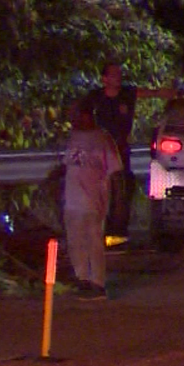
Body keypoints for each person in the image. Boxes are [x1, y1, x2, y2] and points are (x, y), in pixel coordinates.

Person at [81, 62, 178, 243]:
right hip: (99, 151)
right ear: (105, 79)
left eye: (119, 74)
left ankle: (117, 234)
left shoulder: (127, 94)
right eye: (113, 74)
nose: (117, 77)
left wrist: (170, 93)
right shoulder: (94, 98)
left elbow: (151, 93)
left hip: (120, 150)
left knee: (122, 189)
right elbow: (82, 118)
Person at [62, 107, 123, 300]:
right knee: (75, 241)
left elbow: (115, 172)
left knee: (93, 241)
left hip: (92, 199)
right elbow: (68, 165)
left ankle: (97, 282)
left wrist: (118, 202)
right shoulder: (73, 137)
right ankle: (82, 278)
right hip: (72, 199)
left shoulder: (102, 139)